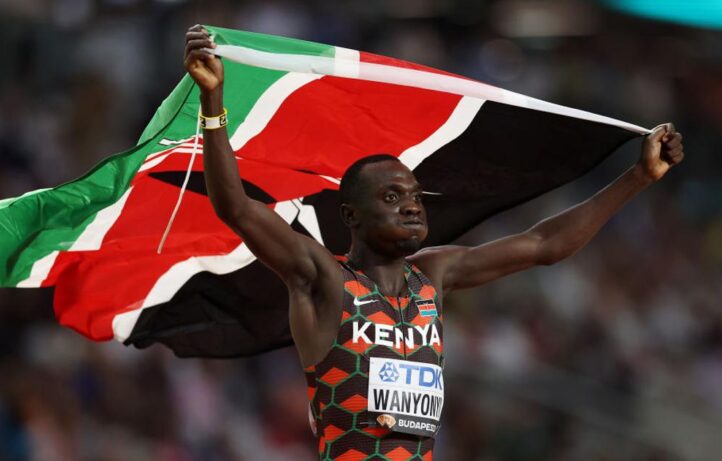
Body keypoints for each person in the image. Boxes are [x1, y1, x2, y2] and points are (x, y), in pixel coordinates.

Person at [183, 24, 684, 461]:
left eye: (417, 197)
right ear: (351, 216)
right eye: (393, 195)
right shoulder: (323, 279)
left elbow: (542, 244)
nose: (412, 205)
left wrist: (638, 176)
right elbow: (237, 208)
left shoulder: (433, 277)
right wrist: (212, 103)